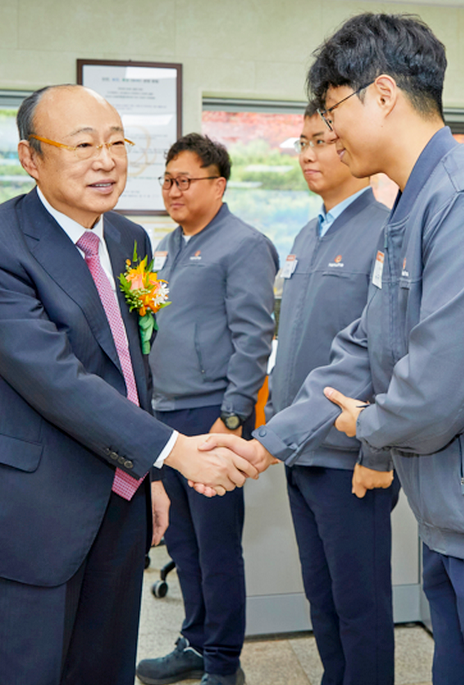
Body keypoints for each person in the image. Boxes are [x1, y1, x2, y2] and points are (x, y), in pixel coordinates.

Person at [203, 13, 464, 685]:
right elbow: (365, 343)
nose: (326, 133)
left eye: (333, 111)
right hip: (458, 521)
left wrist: (370, 427)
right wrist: (269, 443)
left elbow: (442, 389)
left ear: (383, 95)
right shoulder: (414, 209)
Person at [0, 85, 257, 685]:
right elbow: (57, 378)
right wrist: (177, 451)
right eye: (83, 144)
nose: (106, 159)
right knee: (34, 672)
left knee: (105, 667)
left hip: (121, 495)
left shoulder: (129, 240)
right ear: (30, 157)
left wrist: (153, 478)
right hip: (31, 505)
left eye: (116, 143)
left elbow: (132, 371)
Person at [135, 134, 277, 685]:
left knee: (217, 548)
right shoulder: (166, 246)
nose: (173, 190)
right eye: (168, 180)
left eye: (184, 180)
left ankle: (223, 662)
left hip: (211, 416)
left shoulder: (241, 244)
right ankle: (194, 642)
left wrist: (234, 416)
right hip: (167, 419)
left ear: (218, 185)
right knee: (182, 541)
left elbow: (253, 337)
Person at [267, 104, 397, 685]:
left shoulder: (386, 230)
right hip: (300, 451)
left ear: (351, 148)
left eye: (323, 141)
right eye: (302, 143)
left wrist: (377, 452)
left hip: (348, 455)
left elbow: (387, 353)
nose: (309, 155)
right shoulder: (303, 233)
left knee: (360, 606)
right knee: (321, 598)